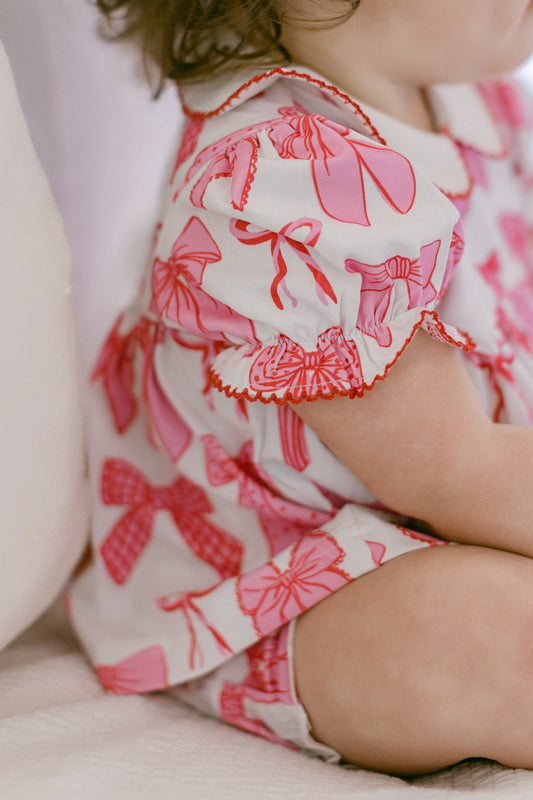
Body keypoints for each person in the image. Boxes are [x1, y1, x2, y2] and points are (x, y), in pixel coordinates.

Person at [67, 0, 533, 776]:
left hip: (458, 506)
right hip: (290, 577)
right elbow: (453, 470)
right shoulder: (282, 183)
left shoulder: (471, 94)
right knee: (489, 633)